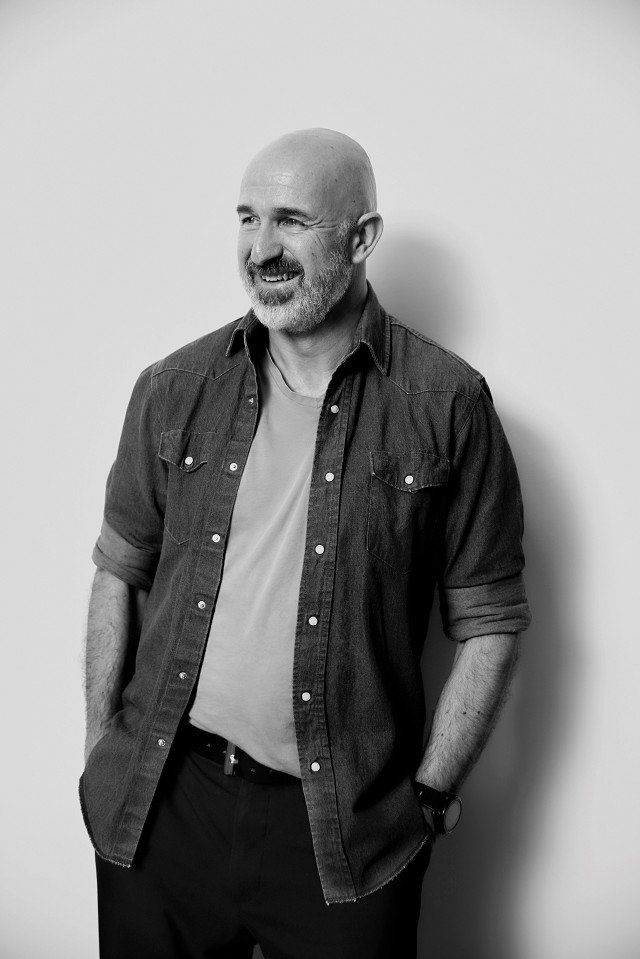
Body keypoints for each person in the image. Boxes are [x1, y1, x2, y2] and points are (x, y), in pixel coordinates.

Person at [81, 128, 531, 959]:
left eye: (291, 220)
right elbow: (120, 568)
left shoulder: (447, 404)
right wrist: (100, 745)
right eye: (247, 217)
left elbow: (491, 621)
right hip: (163, 805)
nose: (260, 249)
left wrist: (429, 794)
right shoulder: (175, 387)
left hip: (343, 834)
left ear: (362, 238)